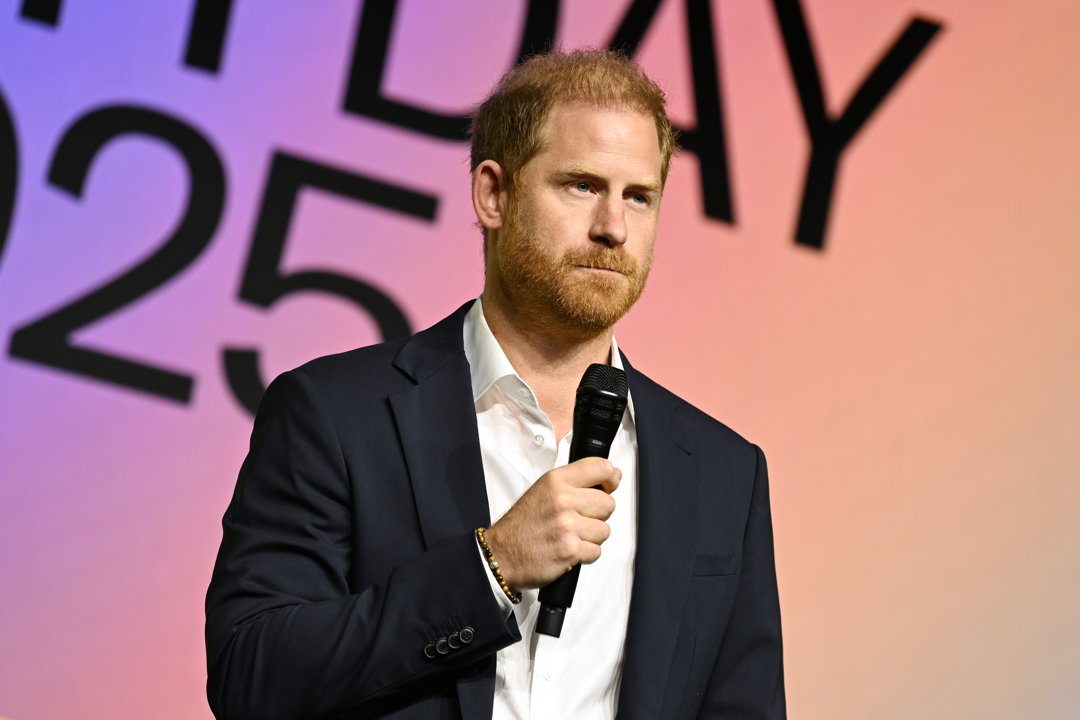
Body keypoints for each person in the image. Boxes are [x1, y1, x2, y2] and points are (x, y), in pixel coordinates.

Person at [206, 49, 785, 719]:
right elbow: (252, 676)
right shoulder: (335, 416)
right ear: (493, 194)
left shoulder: (721, 471)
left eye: (639, 197)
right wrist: (491, 566)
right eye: (580, 185)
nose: (613, 228)